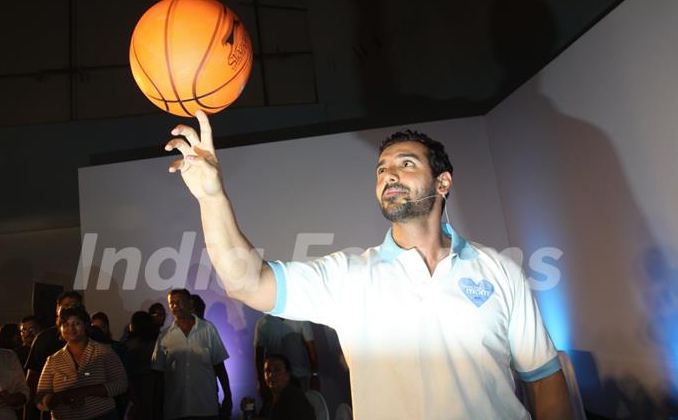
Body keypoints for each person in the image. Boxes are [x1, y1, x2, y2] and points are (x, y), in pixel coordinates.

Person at [165, 113, 572, 420]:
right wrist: (211, 197)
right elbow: (246, 281)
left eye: (406, 164)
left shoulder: (500, 272)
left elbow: (544, 379)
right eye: (381, 169)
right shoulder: (349, 277)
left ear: (443, 183)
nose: (388, 174)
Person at [151, 289, 232, 420]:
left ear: (190, 303)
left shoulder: (208, 329)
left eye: (179, 302)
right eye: (171, 303)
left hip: (206, 408)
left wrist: (228, 397)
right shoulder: (164, 336)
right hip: (175, 409)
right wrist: (157, 408)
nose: (175, 306)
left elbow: (219, 366)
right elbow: (159, 376)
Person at [35, 307, 127, 420]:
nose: (71, 328)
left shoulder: (104, 351)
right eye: (66, 324)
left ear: (86, 326)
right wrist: (62, 397)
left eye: (76, 323)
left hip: (102, 416)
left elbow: (121, 383)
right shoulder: (53, 360)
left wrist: (85, 391)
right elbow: (40, 399)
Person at [24, 291, 83, 420]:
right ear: (58, 309)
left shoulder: (94, 337)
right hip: (55, 412)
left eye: (76, 306)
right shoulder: (44, 339)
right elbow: (33, 381)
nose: (71, 310)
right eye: (66, 305)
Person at [254, 315, 319, 394]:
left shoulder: (299, 317)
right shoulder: (263, 322)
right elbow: (259, 356)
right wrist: (261, 381)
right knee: (281, 405)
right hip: (276, 379)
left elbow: (311, 350)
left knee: (300, 404)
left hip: (298, 375)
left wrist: (315, 375)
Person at [242, 354, 315, 420]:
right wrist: (249, 412)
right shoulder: (270, 397)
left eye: (277, 370)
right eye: (267, 371)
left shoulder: (294, 397)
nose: (271, 375)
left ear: (287, 375)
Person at [122, 311, 160, 420]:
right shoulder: (158, 342)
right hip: (156, 384)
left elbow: (125, 372)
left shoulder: (128, 346)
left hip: (135, 386)